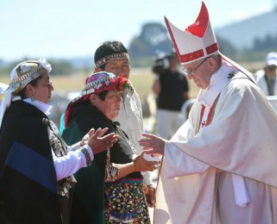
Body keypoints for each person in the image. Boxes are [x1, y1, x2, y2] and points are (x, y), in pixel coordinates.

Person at [139, 2, 277, 224]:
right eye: (186, 71)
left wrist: (170, 149)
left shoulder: (239, 90)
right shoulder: (210, 92)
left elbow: (218, 141)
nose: (189, 77)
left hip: (248, 187)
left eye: (192, 70)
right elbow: (190, 132)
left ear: (212, 63)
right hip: (228, 185)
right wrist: (167, 149)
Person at [0, 59, 118, 224]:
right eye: (46, 84)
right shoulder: (26, 123)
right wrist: (88, 152)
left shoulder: (31, 118)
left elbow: (50, 157)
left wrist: (81, 146)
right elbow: (50, 170)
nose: (52, 89)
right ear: (30, 89)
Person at [61, 71, 159, 223]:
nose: (119, 100)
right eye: (113, 96)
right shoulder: (91, 127)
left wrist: (139, 182)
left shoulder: (103, 122)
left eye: (120, 95)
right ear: (93, 99)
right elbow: (103, 172)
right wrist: (135, 166)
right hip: (111, 213)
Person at [92, 41, 156, 205]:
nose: (122, 71)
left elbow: (139, 138)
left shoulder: (131, 92)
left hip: (136, 182)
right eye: (115, 67)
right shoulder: (93, 101)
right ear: (98, 71)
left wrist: (147, 181)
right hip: (110, 189)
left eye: (125, 65)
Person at [152, 51, 189, 139]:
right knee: (161, 137)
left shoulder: (182, 76)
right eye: (171, 58)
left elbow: (186, 95)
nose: (173, 60)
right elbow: (155, 91)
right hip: (164, 112)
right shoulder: (162, 74)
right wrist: (157, 75)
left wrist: (188, 112)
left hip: (179, 112)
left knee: (180, 139)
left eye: (175, 58)